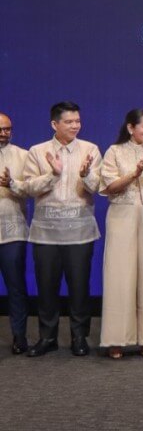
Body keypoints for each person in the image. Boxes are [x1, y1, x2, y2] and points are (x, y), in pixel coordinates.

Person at [23, 102, 102, 357]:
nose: (75, 126)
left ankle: (80, 337)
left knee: (80, 287)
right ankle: (47, 337)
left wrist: (87, 174)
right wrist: (53, 175)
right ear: (54, 124)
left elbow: (98, 187)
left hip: (80, 232)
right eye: (69, 122)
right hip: (46, 233)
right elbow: (27, 188)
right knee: (46, 288)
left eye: (77, 121)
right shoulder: (37, 151)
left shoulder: (90, 149)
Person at [99, 109, 143, 358]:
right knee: (119, 275)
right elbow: (109, 186)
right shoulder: (114, 151)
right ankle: (117, 339)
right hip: (122, 215)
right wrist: (134, 173)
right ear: (131, 128)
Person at [0, 112, 30, 354]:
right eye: (0, 129)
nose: (4, 133)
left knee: (16, 286)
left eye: (8, 129)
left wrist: (12, 184)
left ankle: (20, 337)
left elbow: (31, 191)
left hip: (13, 231)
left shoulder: (22, 156)